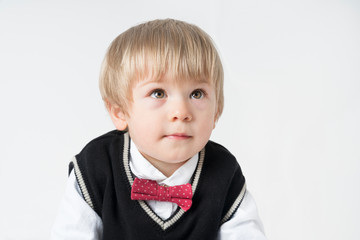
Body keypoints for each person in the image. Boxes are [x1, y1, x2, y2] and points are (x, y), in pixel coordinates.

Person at [51, 19, 267, 240]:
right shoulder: (96, 167)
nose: (181, 111)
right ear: (120, 112)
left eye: (197, 94)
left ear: (217, 111)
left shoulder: (224, 172)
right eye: (158, 93)